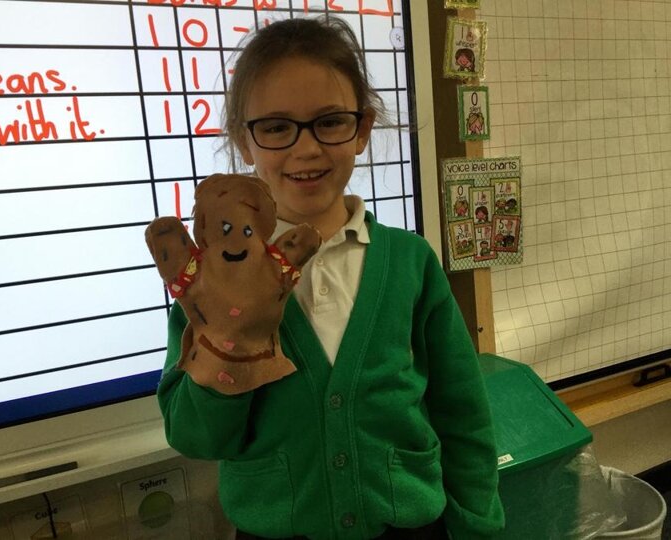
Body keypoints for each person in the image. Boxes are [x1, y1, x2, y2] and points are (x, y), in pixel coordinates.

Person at [157, 16, 504, 540]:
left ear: (362, 129)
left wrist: (479, 528)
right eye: (276, 127)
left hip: (409, 529)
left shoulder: (410, 262)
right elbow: (195, 437)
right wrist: (228, 341)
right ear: (244, 141)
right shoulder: (208, 282)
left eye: (330, 121)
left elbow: (463, 415)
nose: (306, 149)